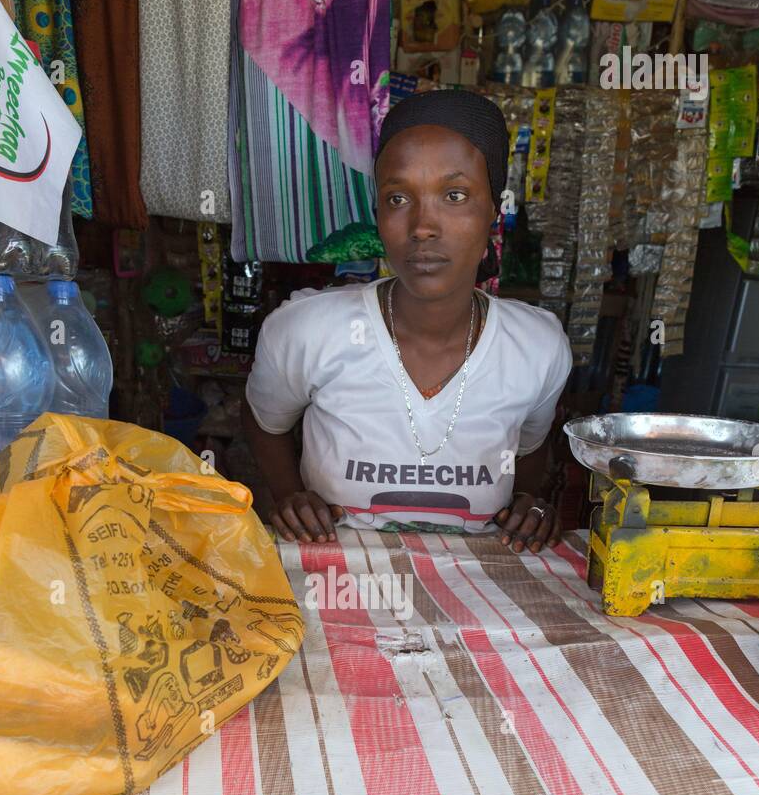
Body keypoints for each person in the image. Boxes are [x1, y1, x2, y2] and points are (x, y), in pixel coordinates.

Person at [242, 87, 572, 550]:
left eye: (454, 195)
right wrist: (290, 498)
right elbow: (264, 423)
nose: (422, 226)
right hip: (336, 597)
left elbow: (530, 453)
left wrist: (529, 506)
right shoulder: (306, 330)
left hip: (476, 604)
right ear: (377, 214)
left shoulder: (537, 347)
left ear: (492, 214)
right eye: (398, 199)